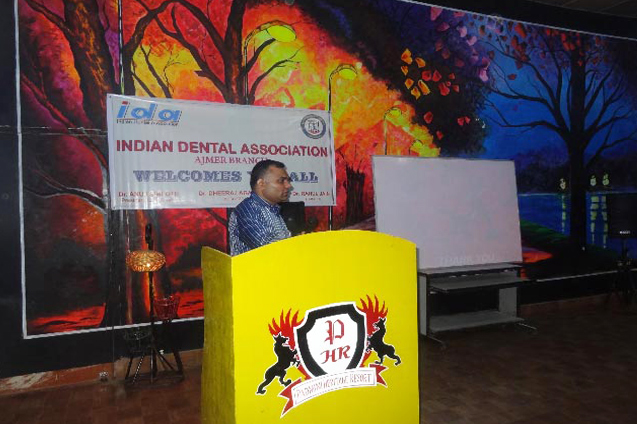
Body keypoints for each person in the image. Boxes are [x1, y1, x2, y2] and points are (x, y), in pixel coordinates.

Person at [228, 159, 293, 255]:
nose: (288, 185)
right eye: (281, 181)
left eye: (288, 181)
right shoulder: (248, 210)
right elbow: (267, 249)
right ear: (261, 184)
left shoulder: (272, 209)